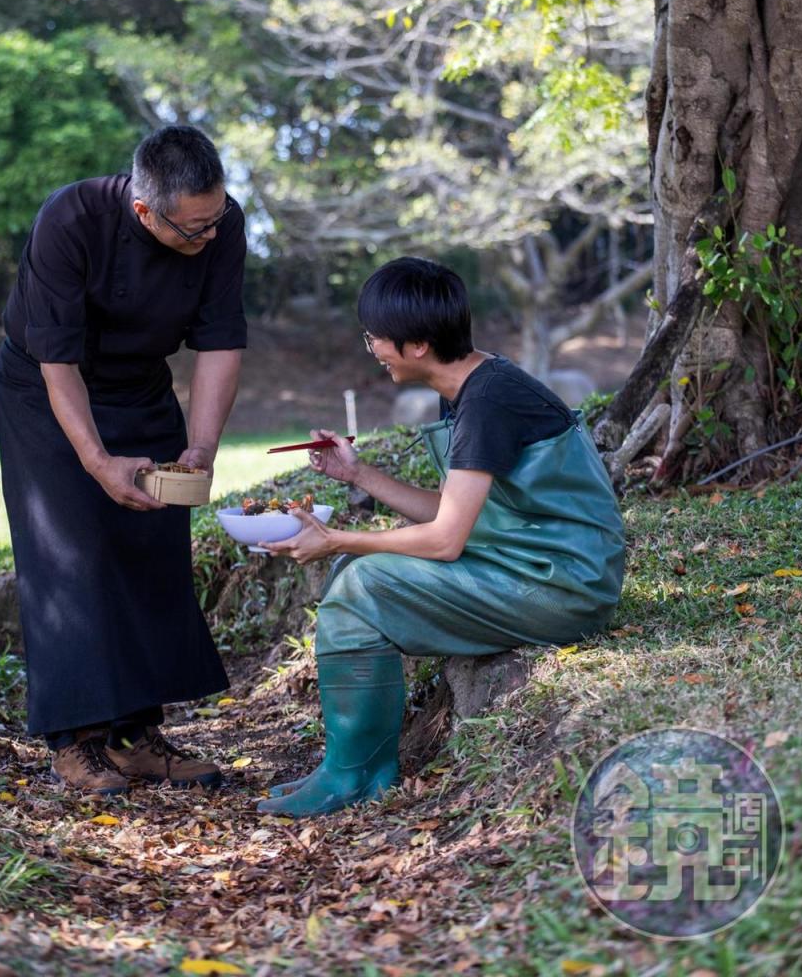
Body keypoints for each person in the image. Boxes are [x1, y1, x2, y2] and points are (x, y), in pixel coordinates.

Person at [257, 256, 625, 818]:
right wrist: (357, 476)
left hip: (563, 585)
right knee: (351, 575)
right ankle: (358, 765)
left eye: (375, 338)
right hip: (523, 561)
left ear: (418, 344)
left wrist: (338, 538)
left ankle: (353, 775)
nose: (373, 350)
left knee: (362, 583)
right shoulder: (468, 389)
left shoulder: (486, 402)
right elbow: (458, 513)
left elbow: (446, 540)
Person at [0, 124, 246, 794]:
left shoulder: (221, 226)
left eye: (215, 219)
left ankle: (135, 736)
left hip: (139, 385)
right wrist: (98, 462)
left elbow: (220, 341)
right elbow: (57, 361)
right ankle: (74, 743)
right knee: (70, 549)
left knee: (153, 539)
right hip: (45, 392)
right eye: (193, 228)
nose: (208, 237)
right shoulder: (71, 220)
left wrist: (201, 448)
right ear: (144, 210)